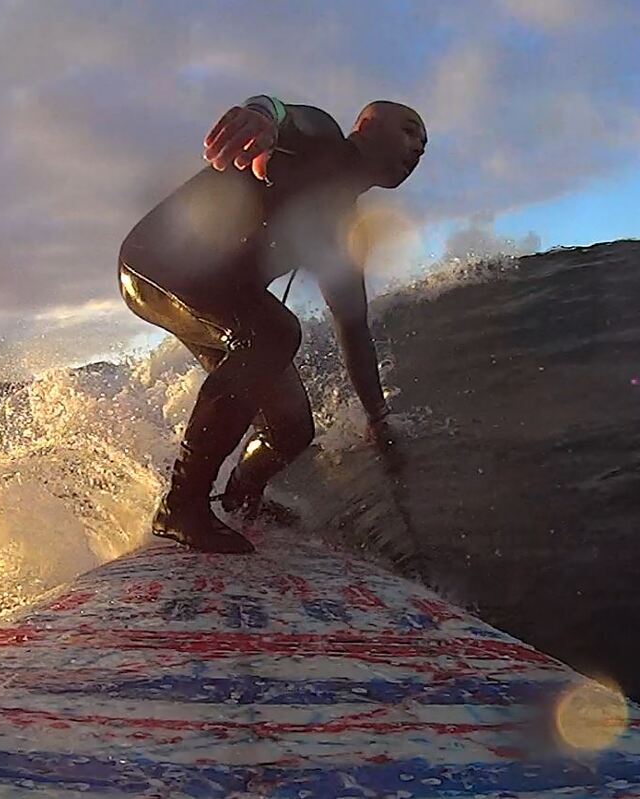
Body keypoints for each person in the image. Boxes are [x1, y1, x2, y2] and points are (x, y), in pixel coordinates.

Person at [119, 95, 426, 553]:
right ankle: (182, 505)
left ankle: (241, 500)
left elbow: (353, 328)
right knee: (276, 331)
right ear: (365, 125)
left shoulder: (342, 230)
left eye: (423, 144)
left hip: (226, 300)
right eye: (409, 129)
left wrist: (377, 418)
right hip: (158, 265)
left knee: (291, 428)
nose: (419, 146)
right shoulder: (320, 137)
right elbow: (281, 114)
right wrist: (260, 117)